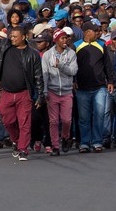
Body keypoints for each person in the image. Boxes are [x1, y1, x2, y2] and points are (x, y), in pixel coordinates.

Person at [0, 13, 45, 161]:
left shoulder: (33, 54)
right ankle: (17, 140)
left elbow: (38, 76)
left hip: (24, 93)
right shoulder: (3, 45)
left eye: (15, 36)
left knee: (24, 122)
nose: (12, 38)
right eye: (11, 36)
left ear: (24, 37)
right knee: (7, 120)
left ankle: (23, 149)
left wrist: (41, 95)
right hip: (7, 92)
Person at [75, 21, 115, 153]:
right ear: (87, 33)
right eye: (94, 31)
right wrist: (74, 80)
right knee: (84, 117)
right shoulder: (76, 46)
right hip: (82, 88)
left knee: (99, 116)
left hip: (99, 87)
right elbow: (71, 65)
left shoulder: (102, 45)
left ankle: (97, 142)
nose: (97, 33)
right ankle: (85, 143)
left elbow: (107, 65)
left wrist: (110, 81)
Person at [42, 28, 78, 156]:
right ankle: (55, 146)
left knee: (67, 120)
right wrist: (45, 91)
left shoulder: (71, 53)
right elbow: (44, 74)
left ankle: (65, 136)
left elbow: (74, 71)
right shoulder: (47, 55)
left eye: (66, 38)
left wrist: (61, 66)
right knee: (53, 121)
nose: (65, 41)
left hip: (67, 91)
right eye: (62, 38)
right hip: (53, 91)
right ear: (56, 40)